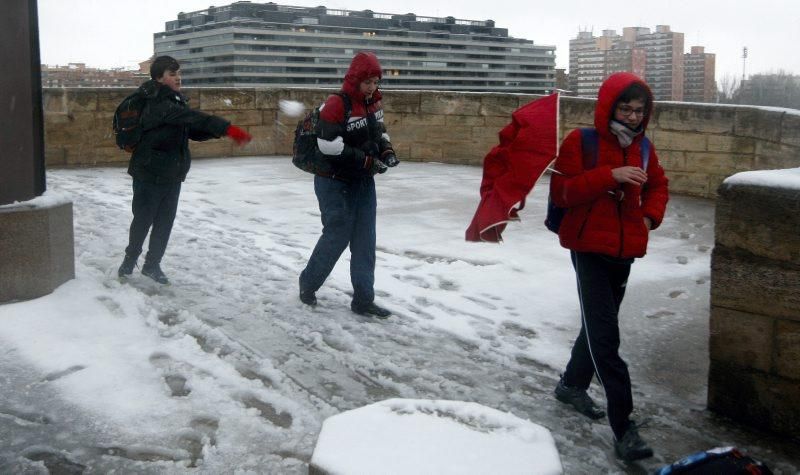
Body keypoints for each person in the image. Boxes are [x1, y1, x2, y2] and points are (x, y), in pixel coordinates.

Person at [549, 72, 669, 462]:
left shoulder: (643, 146)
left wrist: (648, 218)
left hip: (625, 250)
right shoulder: (580, 142)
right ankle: (624, 427)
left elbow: (658, 186)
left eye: (639, 111)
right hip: (588, 249)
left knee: (597, 325)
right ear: (609, 106)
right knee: (606, 339)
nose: (633, 117)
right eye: (626, 108)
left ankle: (571, 385)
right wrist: (609, 176)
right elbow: (562, 192)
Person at [117, 55, 252, 284]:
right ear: (159, 78)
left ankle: (152, 265)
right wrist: (227, 128)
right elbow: (193, 118)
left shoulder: (175, 101)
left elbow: (191, 129)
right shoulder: (157, 102)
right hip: (149, 172)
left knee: (164, 222)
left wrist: (218, 132)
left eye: (179, 74)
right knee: (143, 219)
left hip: (171, 173)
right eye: (172, 74)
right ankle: (129, 261)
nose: (178, 78)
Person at [298, 52, 399, 318]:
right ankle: (308, 285)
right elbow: (329, 147)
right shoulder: (336, 104)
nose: (372, 87)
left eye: (376, 82)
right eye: (367, 81)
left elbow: (380, 132)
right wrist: (367, 162)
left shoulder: (373, 104)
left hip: (362, 183)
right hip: (334, 182)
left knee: (365, 241)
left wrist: (386, 151)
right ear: (355, 79)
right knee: (337, 236)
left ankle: (364, 300)